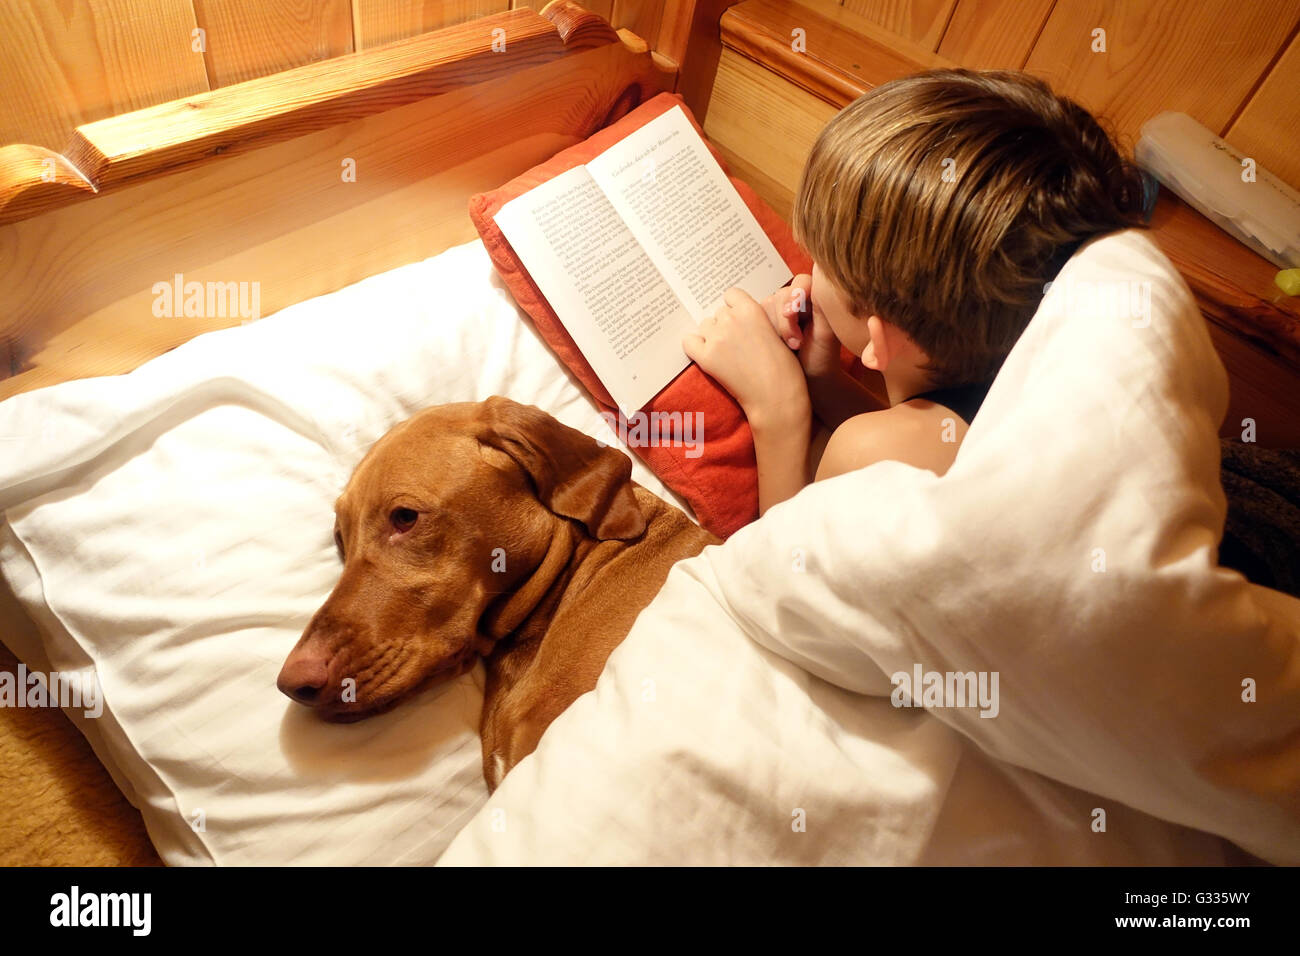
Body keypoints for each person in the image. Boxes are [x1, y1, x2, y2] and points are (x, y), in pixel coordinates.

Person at [683, 69, 1147, 514]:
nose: (810, 264)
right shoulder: (1024, 363)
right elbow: (925, 437)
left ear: (879, 339)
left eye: (825, 261)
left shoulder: (863, 452)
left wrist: (778, 410)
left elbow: (778, 581)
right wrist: (824, 380)